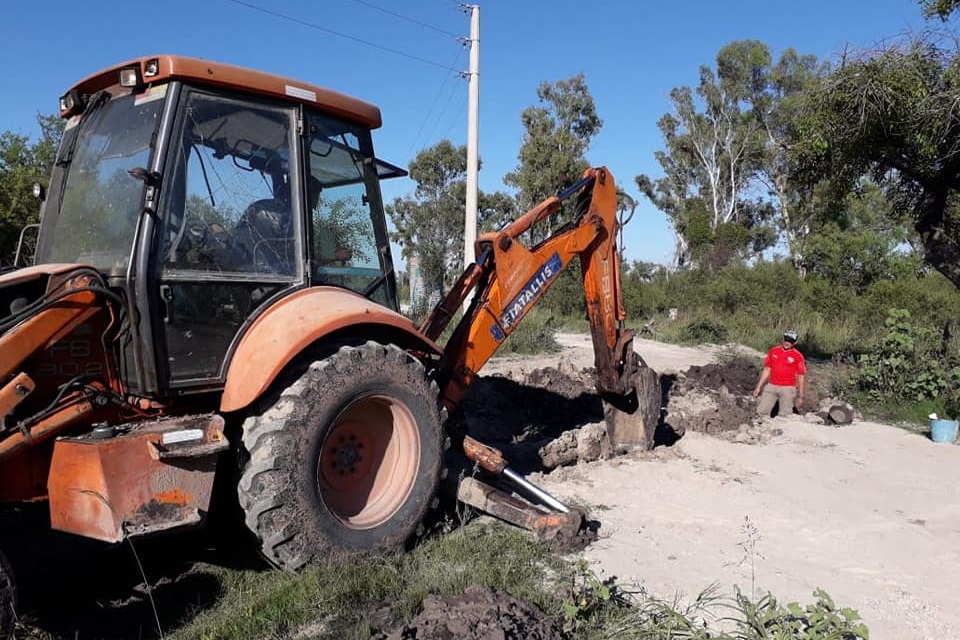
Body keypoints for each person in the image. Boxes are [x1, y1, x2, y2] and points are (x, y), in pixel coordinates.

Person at [753, 329, 806, 417]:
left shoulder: (798, 356)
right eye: (786, 339)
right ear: (783, 338)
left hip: (788, 388)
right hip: (771, 385)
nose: (787, 342)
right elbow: (767, 370)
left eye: (791, 341)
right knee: (761, 412)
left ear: (795, 342)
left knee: (785, 415)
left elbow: (801, 376)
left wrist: (801, 396)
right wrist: (758, 387)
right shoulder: (773, 351)